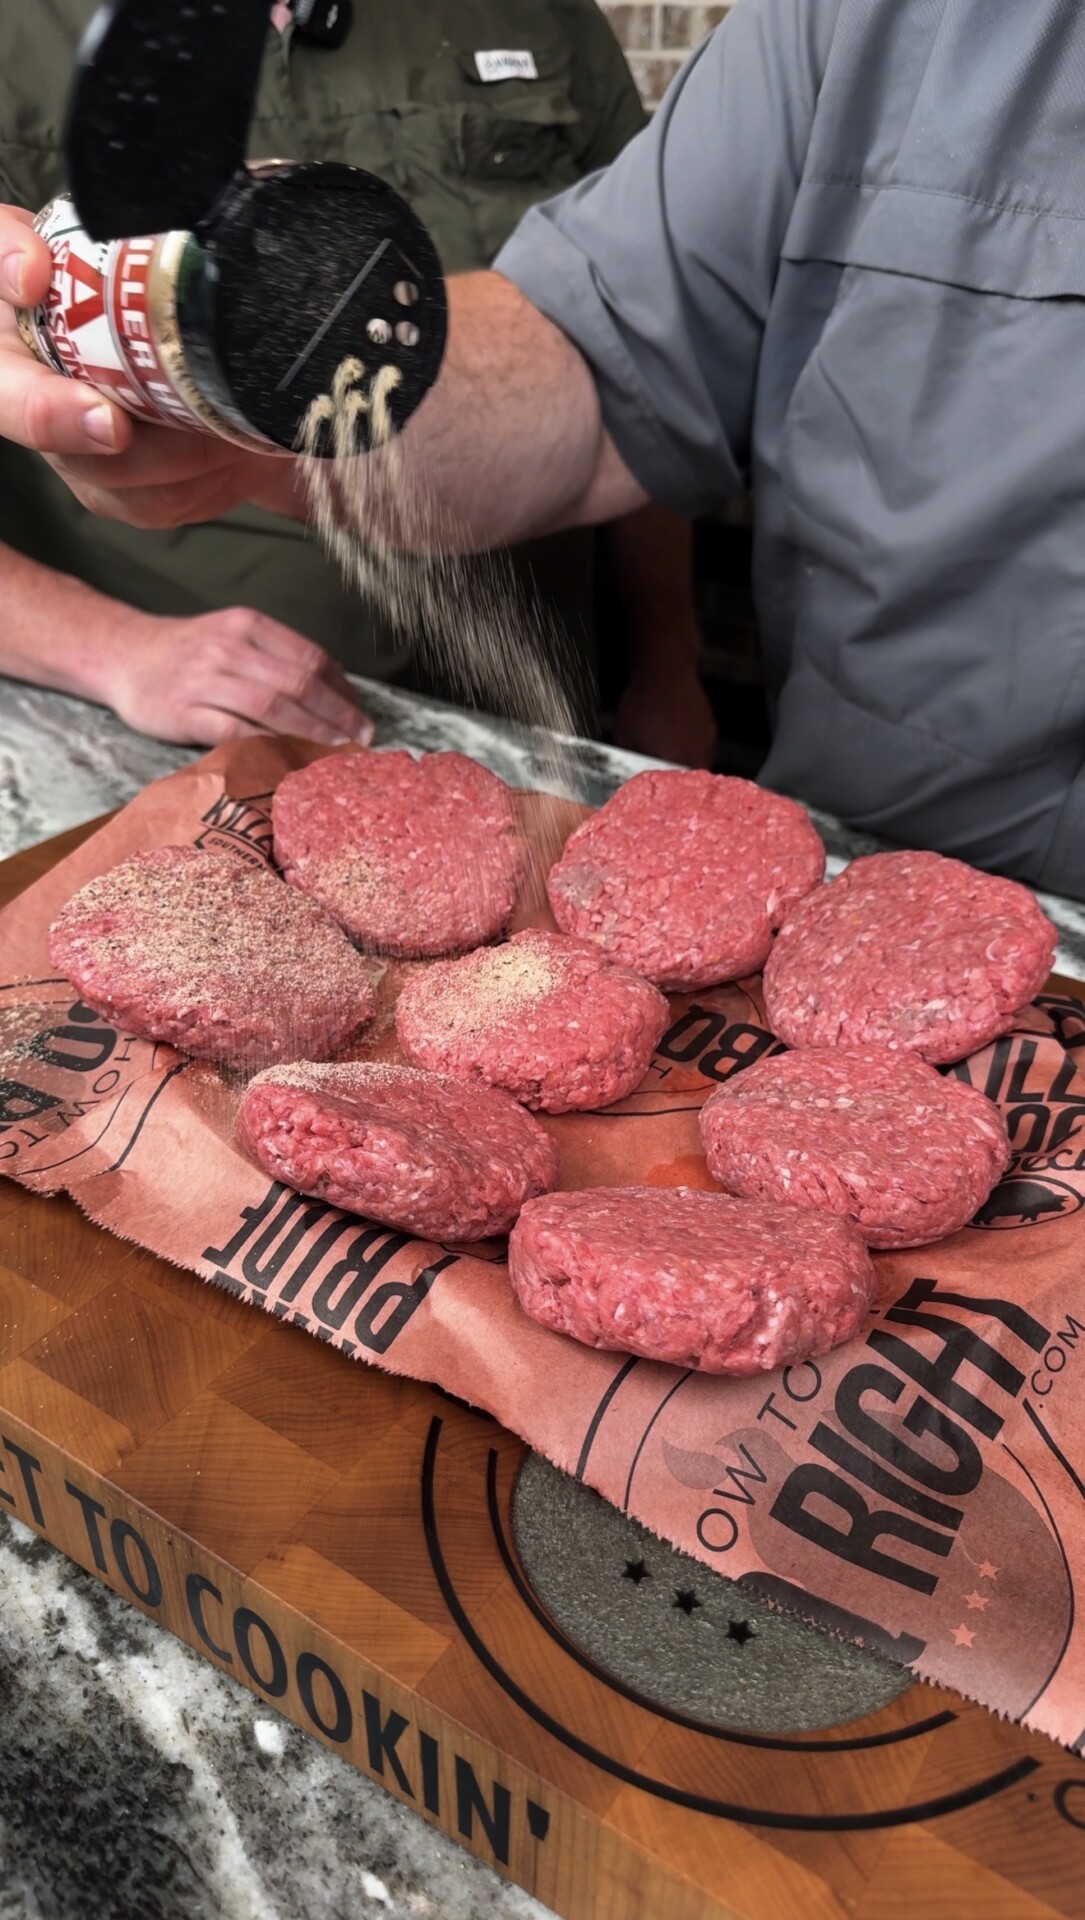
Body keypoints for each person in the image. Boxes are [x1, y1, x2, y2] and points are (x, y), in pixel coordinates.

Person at [6, 0, 1075, 893]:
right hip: (883, 863)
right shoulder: (859, 21)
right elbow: (604, 358)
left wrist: (665, 664)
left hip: (734, 821)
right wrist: (260, 441)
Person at [0, 0, 713, 763]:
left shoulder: (541, 16)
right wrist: (112, 651)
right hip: (205, 744)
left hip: (531, 712)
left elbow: (644, 358)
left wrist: (667, 663)